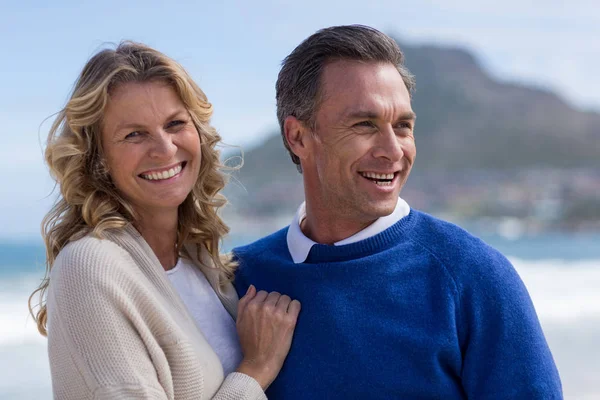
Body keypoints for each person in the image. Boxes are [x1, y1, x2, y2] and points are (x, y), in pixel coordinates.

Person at [232, 25, 563, 399]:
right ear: (298, 137)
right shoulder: (240, 279)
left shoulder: (473, 275)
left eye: (403, 126)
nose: (393, 150)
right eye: (364, 124)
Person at [28, 42, 300, 400]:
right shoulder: (90, 267)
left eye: (175, 124)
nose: (165, 148)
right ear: (98, 158)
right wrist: (256, 369)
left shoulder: (203, 266)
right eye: (134, 134)